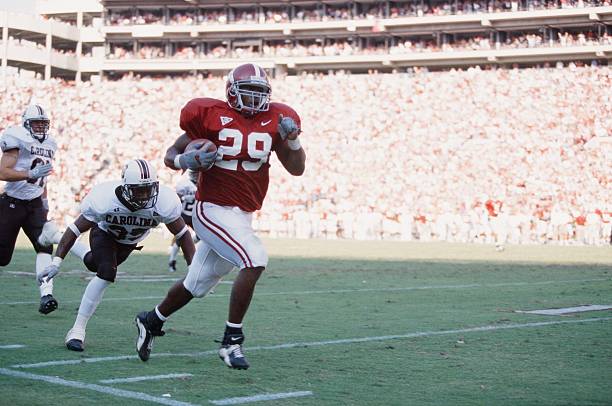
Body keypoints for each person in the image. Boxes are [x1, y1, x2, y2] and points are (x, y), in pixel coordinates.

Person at [134, 62, 306, 370]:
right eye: (247, 92)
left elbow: (297, 168)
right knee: (255, 259)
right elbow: (170, 154)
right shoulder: (210, 115)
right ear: (231, 92)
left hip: (242, 215)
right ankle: (232, 341)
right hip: (210, 209)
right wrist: (183, 160)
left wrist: (292, 140)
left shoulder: (276, 119)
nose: (254, 99)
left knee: (196, 285)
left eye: (259, 93)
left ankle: (151, 320)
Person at [38, 159, 196, 352]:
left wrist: (194, 269)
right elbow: (75, 229)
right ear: (126, 188)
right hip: (104, 234)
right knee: (106, 272)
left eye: (149, 189)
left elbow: (182, 234)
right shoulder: (104, 200)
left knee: (92, 263)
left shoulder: (164, 202)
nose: (145, 195)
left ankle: (54, 235)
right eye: (139, 190)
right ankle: (77, 330)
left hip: (128, 244)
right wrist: (56, 262)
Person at [0, 104, 86, 314]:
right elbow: (3, 172)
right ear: (26, 124)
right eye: (36, 123)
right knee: (2, 257)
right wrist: (30, 173)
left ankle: (46, 295)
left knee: (44, 246)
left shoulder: (51, 143)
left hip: (35, 204)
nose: (40, 127)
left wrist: (45, 203)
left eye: (43, 123)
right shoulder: (17, 137)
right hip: (12, 202)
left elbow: (43, 177)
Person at [168, 169, 199, 272]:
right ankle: (172, 261)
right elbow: (175, 199)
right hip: (184, 214)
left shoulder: (204, 183)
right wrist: (184, 198)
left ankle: (187, 245)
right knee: (180, 237)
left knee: (201, 236)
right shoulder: (184, 184)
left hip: (195, 216)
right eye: (196, 173)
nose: (198, 175)